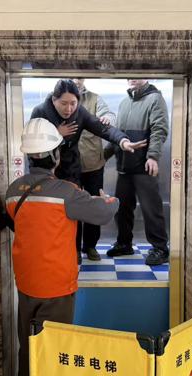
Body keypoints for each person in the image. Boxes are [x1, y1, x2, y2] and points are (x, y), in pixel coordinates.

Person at [3, 118, 119, 376]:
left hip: (26, 281)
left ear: (29, 156)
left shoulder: (14, 190)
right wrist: (112, 200)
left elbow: (16, 222)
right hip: (56, 283)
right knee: (55, 341)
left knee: (27, 338)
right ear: (55, 155)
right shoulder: (66, 191)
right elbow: (102, 213)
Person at [30, 79, 145, 263]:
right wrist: (56, 134)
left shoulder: (80, 112)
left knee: (86, 205)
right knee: (65, 212)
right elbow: (33, 147)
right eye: (64, 103)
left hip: (73, 166)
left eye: (73, 103)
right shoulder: (40, 112)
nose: (69, 109)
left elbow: (103, 128)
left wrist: (123, 141)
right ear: (53, 100)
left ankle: (90, 245)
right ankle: (72, 248)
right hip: (51, 171)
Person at [106, 79, 170, 266]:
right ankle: (124, 243)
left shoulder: (155, 99)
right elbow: (117, 135)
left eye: (137, 75)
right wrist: (104, 156)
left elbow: (159, 129)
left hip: (144, 165)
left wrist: (153, 156)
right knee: (122, 208)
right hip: (124, 165)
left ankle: (160, 248)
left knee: (151, 209)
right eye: (129, 76)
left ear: (147, 77)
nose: (132, 78)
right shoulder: (124, 102)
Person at [73, 78, 116, 261]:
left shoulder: (94, 98)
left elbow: (109, 114)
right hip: (70, 167)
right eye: (73, 77)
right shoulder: (59, 98)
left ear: (84, 79)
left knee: (94, 206)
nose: (76, 80)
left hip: (93, 165)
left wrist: (109, 118)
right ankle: (73, 248)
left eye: (80, 77)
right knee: (72, 208)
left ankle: (90, 246)